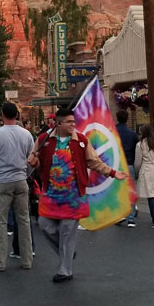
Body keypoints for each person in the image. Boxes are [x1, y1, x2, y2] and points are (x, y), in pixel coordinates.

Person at [28, 108, 128, 283]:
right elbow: (34, 161)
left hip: (73, 196)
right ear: (58, 124)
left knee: (67, 231)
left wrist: (112, 173)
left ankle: (65, 270)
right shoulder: (44, 140)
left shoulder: (81, 141)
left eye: (74, 122)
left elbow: (94, 161)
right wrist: (33, 162)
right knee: (45, 226)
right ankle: (66, 251)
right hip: (50, 195)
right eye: (69, 122)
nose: (73, 125)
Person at [0, 102, 35, 273]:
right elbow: (32, 159)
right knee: (24, 220)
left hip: (2, 180)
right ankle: (27, 259)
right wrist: (25, 174)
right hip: (20, 179)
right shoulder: (26, 135)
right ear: (17, 115)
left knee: (0, 222)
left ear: (2, 115)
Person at [115, 109, 139, 227]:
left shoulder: (113, 132)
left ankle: (120, 216)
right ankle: (131, 217)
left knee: (118, 191)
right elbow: (136, 150)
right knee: (130, 191)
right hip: (129, 163)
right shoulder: (132, 134)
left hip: (116, 165)